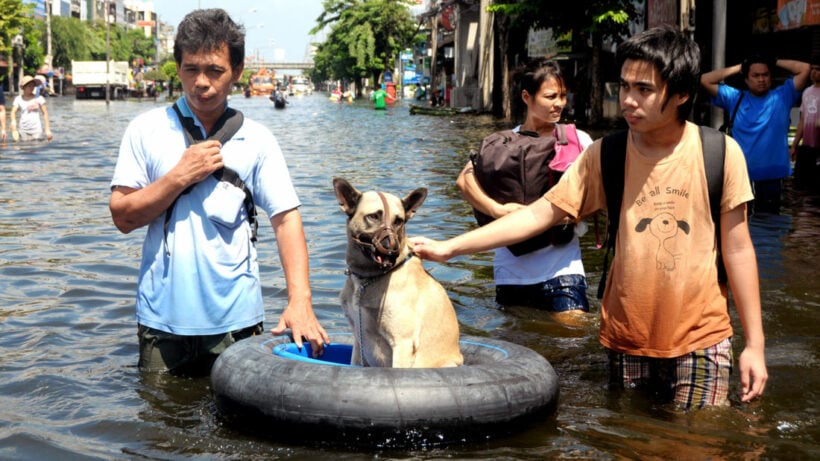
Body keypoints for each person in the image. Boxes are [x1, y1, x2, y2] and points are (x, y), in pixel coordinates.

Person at [411, 25, 767, 410]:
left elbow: (738, 250)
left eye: (644, 90)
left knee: (700, 441)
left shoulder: (720, 153)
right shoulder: (606, 154)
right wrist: (451, 249)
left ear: (681, 94)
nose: (629, 100)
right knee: (628, 439)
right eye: (625, 86)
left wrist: (755, 345)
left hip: (703, 336)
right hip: (626, 337)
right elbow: (539, 215)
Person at [109, 8, 329, 376]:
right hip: (162, 322)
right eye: (191, 69)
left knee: (239, 427)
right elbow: (122, 216)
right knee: (160, 426)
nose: (202, 83)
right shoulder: (145, 130)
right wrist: (178, 176)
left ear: (237, 72)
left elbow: (286, 219)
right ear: (178, 68)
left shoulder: (258, 139)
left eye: (215, 70)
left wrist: (300, 302)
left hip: (237, 323)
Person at [456, 59, 592, 316]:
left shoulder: (577, 139)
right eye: (550, 96)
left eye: (563, 95)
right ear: (526, 97)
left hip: (563, 271)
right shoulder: (500, 144)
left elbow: (594, 197)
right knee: (520, 347)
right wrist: (498, 211)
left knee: (573, 342)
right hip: (511, 275)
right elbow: (464, 180)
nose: (559, 103)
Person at [701, 54, 810, 213]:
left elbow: (805, 69)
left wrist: (773, 60)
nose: (761, 79)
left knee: (772, 226)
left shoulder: (783, 96)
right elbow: (705, 79)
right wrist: (741, 67)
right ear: (746, 79)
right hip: (742, 177)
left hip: (773, 177)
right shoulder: (735, 98)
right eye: (755, 75)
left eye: (765, 75)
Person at [791, 58, 820, 190]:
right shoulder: (807, 91)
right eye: (812, 69)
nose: (814, 72)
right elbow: (802, 120)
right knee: (801, 185)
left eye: (818, 69)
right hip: (807, 147)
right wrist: (794, 145)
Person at [10, 75, 52, 142]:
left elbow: (45, 113)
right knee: (24, 148)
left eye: (33, 86)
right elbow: (13, 112)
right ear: (23, 87)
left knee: (36, 148)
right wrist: (13, 121)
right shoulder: (18, 99)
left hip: (36, 130)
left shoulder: (39, 98)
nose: (32, 88)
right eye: (29, 86)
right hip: (23, 129)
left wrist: (47, 130)